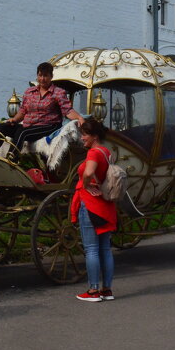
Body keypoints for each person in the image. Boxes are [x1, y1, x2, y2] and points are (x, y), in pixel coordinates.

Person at [70, 117, 117, 301]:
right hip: (105, 206)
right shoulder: (106, 152)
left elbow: (89, 172)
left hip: (90, 204)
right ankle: (106, 290)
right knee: (105, 248)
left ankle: (93, 291)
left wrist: (87, 184)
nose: (82, 138)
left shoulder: (93, 153)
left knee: (91, 249)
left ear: (94, 136)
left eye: (85, 135)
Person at [0, 62, 83, 152]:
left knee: (23, 133)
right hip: (28, 126)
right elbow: (22, 111)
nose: (42, 79)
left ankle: (11, 158)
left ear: (51, 76)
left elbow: (67, 110)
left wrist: (79, 117)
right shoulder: (29, 91)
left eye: (45, 76)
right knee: (2, 127)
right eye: (40, 75)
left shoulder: (58, 93)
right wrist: (14, 120)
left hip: (48, 126)